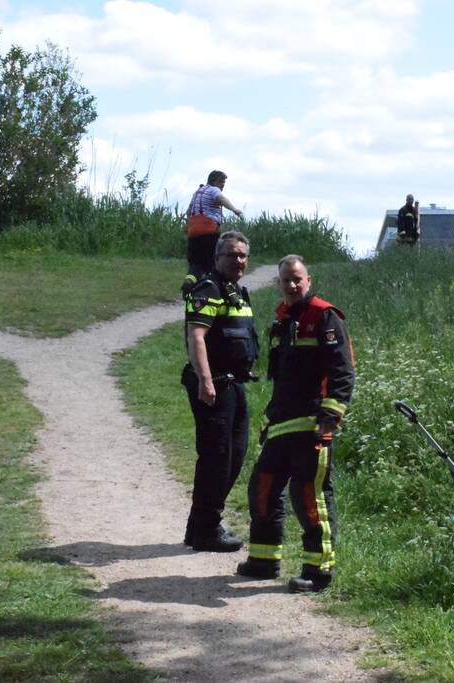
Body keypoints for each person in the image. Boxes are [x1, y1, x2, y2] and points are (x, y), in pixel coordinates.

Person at [237, 254, 355, 593]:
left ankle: (318, 571)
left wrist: (330, 415)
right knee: (262, 489)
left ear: (308, 280)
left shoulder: (325, 317)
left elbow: (343, 372)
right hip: (282, 425)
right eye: (285, 279)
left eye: (296, 279)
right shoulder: (284, 319)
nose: (290, 285)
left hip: (313, 426)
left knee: (309, 499)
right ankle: (263, 561)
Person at [181, 231, 258, 552]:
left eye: (242, 255)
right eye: (231, 255)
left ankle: (198, 526)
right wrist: (205, 379)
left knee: (235, 456)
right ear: (217, 258)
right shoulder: (208, 289)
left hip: (234, 383)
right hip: (214, 385)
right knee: (217, 457)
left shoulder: (237, 292)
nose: (237, 260)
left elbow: (236, 336)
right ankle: (208, 528)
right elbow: (196, 336)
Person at [181, 170, 244, 298]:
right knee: (215, 263)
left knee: (195, 263)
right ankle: (219, 292)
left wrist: (188, 227)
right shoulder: (213, 190)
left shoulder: (197, 193)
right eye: (221, 182)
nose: (223, 185)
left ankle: (189, 281)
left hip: (193, 233)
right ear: (214, 181)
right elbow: (221, 198)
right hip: (209, 232)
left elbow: (189, 211)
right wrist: (235, 210)